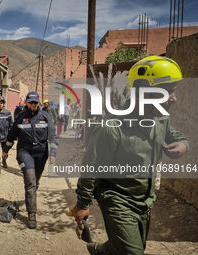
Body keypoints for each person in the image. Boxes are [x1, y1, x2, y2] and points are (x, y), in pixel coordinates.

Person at [73, 56, 189, 255]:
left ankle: (100, 250)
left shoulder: (160, 118)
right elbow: (91, 166)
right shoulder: (112, 126)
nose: (174, 98)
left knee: (134, 248)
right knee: (133, 252)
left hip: (146, 200)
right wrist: (82, 204)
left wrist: (183, 145)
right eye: (169, 91)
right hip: (117, 198)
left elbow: (175, 135)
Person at [2, 91, 58, 229]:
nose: (33, 104)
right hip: (24, 151)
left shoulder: (45, 116)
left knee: (35, 181)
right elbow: (11, 135)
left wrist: (53, 154)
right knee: (30, 180)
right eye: (31, 102)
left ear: (38, 102)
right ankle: (31, 214)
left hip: (41, 153)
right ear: (26, 102)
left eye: (35, 102)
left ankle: (31, 191)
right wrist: (5, 151)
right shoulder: (21, 117)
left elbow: (53, 135)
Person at [0, 96, 13, 176]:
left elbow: (11, 124)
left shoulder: (8, 113)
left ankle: (4, 160)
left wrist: (12, 135)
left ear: (3, 104)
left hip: (6, 136)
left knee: (5, 151)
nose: (0, 104)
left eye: (1, 103)